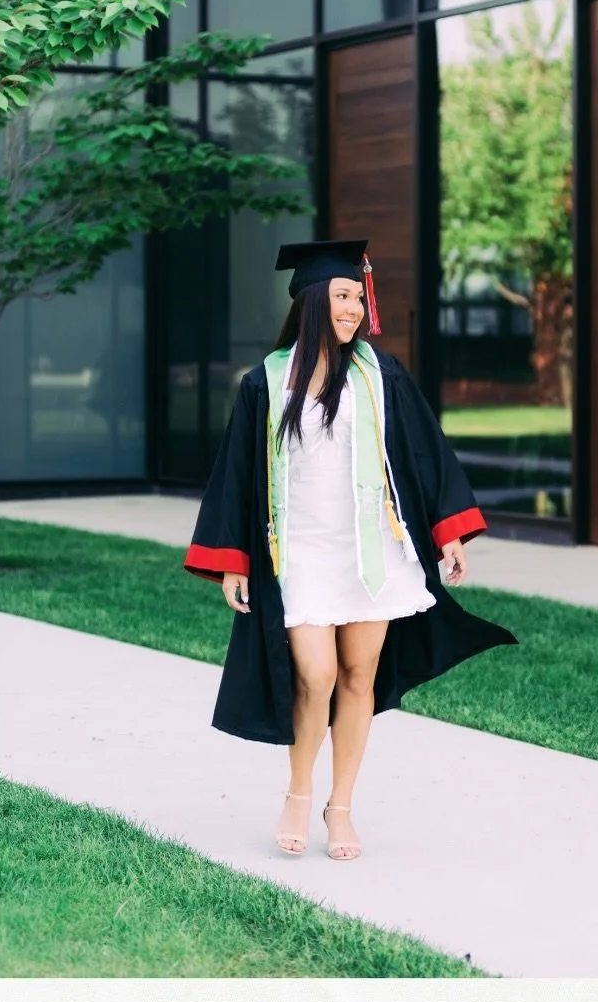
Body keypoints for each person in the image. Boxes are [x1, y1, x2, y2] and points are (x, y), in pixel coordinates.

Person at [183, 239, 518, 861]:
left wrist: (448, 532)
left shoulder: (379, 375)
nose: (354, 309)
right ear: (312, 301)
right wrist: (233, 559)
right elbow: (235, 471)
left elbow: (424, 453)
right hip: (303, 554)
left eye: (357, 297)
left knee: (359, 674)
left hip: (374, 551)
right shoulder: (266, 382)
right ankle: (298, 794)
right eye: (341, 296)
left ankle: (341, 809)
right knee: (315, 675)